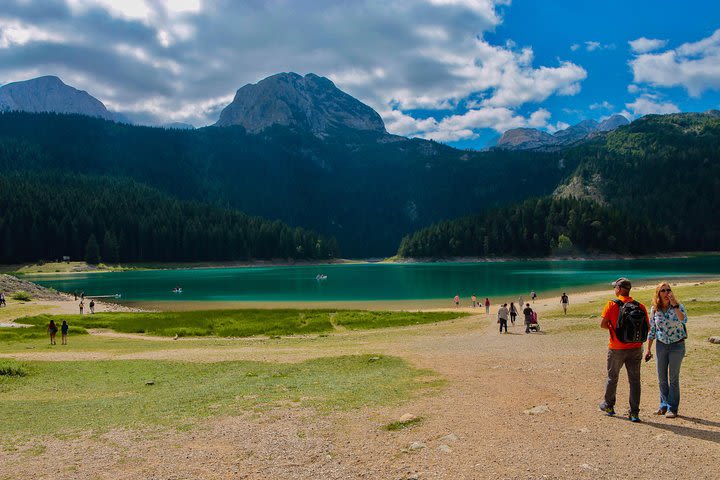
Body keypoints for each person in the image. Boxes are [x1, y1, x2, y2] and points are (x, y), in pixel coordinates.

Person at [599, 277, 650, 423]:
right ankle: (634, 413)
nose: (614, 289)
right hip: (635, 348)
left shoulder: (611, 304)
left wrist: (613, 328)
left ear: (619, 289)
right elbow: (647, 326)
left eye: (615, 287)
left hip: (616, 348)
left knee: (612, 377)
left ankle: (609, 406)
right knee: (634, 380)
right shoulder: (640, 306)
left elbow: (602, 324)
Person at [646, 282, 687, 418]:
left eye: (668, 290)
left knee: (673, 378)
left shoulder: (678, 306)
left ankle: (672, 408)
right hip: (661, 345)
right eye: (662, 290)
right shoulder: (654, 309)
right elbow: (652, 330)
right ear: (658, 293)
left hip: (677, 345)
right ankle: (663, 406)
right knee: (661, 378)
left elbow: (683, 319)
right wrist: (648, 349)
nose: (666, 292)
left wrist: (674, 304)